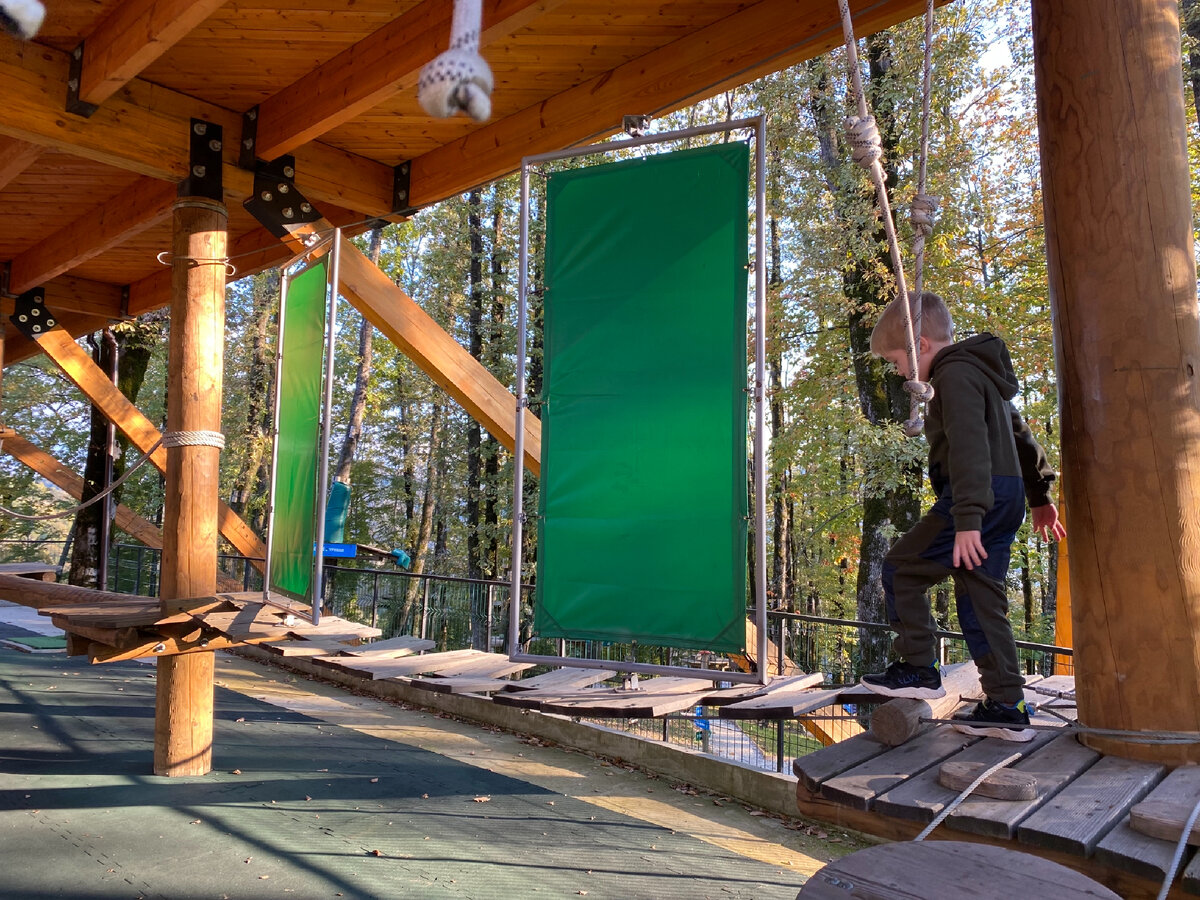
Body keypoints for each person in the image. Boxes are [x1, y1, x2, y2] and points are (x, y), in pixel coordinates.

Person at [860, 292, 1066, 742]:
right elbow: (1022, 436)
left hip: (976, 497)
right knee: (980, 600)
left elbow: (971, 444)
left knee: (901, 568)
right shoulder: (982, 375)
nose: (898, 372)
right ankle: (1007, 708)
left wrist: (968, 517)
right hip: (1005, 494)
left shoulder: (953, 376)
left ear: (920, 344)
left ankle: (918, 667)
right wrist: (1039, 495)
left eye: (897, 361)